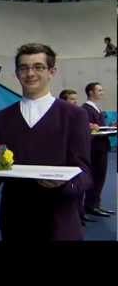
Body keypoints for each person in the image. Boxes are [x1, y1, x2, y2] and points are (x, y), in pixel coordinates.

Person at [0, 44, 92, 240]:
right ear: (17, 73)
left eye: (38, 67)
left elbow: (84, 173)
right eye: (24, 67)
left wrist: (64, 184)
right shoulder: (1, 118)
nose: (30, 73)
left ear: (52, 72)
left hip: (59, 221)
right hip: (14, 220)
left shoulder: (74, 116)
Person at [59, 88, 97, 225]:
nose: (75, 102)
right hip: (65, 158)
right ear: (64, 100)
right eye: (72, 99)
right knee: (69, 190)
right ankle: (73, 216)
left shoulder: (79, 114)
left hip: (79, 157)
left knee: (80, 187)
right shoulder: (60, 115)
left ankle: (80, 213)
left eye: (76, 99)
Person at [82, 82, 115, 217]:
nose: (102, 93)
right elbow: (88, 130)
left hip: (101, 147)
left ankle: (96, 204)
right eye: (99, 90)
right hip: (94, 149)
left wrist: (111, 127)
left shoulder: (96, 108)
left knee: (100, 178)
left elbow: (99, 128)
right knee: (95, 178)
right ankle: (91, 205)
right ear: (91, 92)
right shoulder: (86, 109)